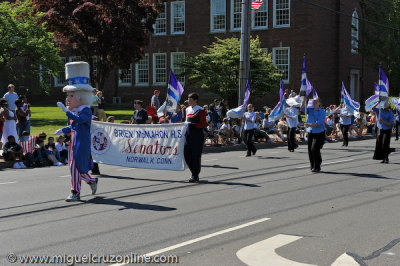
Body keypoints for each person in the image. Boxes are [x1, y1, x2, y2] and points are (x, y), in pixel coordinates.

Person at [55, 61, 98, 202]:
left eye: (71, 96)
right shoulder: (75, 111)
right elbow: (74, 126)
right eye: (68, 95)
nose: (67, 99)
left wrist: (65, 111)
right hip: (73, 143)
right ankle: (91, 181)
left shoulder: (85, 110)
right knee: (73, 167)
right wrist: (63, 130)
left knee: (77, 167)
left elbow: (79, 121)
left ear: (81, 97)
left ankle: (75, 192)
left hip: (81, 144)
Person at [184, 92, 207, 182]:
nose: (188, 101)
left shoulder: (201, 110)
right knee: (186, 154)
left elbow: (203, 124)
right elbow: (186, 121)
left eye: (190, 100)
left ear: (195, 100)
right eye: (188, 99)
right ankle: (194, 172)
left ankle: (195, 175)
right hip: (188, 135)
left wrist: (192, 125)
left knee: (195, 156)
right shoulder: (187, 109)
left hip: (197, 135)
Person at [302, 97, 326, 172]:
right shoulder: (310, 110)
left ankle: (317, 166)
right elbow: (302, 108)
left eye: (316, 102)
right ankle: (313, 165)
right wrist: (304, 101)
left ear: (319, 103)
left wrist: (309, 125)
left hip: (319, 133)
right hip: (311, 132)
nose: (314, 103)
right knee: (310, 150)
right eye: (313, 102)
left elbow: (318, 123)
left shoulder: (322, 112)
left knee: (314, 148)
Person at [372, 99, 394, 163]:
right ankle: (382, 158)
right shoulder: (379, 110)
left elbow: (390, 124)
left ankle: (386, 158)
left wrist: (382, 121)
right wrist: (378, 103)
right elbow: (373, 108)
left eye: (385, 107)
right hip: (380, 129)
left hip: (387, 130)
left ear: (388, 107)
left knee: (385, 144)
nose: (384, 109)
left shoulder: (390, 113)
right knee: (379, 144)